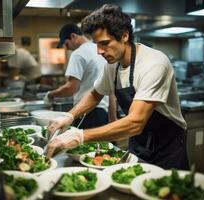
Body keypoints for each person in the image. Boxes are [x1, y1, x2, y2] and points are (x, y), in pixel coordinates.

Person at [47, 5, 189, 170]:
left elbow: (136, 122)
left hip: (166, 144)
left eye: (105, 43)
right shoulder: (112, 65)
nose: (99, 51)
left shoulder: (154, 63)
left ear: (124, 36)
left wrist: (81, 135)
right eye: (97, 44)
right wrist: (69, 116)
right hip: (138, 140)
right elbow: (95, 93)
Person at [44, 24, 117, 128]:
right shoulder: (101, 51)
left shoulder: (78, 54)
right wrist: (113, 117)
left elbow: (71, 88)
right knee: (99, 144)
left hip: (86, 113)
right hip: (102, 113)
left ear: (73, 36)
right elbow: (110, 90)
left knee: (83, 144)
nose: (67, 48)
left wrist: (51, 94)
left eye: (66, 44)